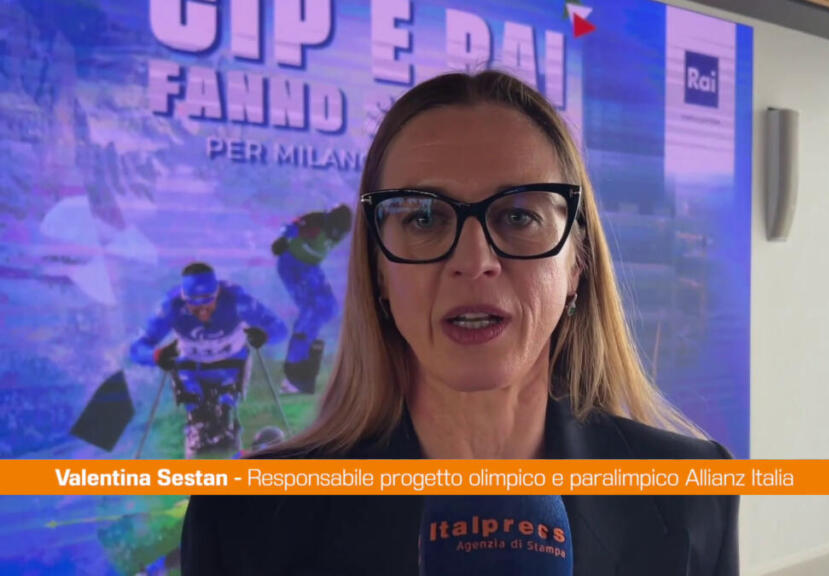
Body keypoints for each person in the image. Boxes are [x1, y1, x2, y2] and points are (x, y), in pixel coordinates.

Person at [181, 71, 738, 575]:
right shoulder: (244, 517)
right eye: (424, 218)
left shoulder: (692, 492)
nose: (474, 261)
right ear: (378, 271)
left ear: (577, 264)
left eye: (518, 215)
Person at [130, 262, 287, 458]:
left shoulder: (236, 299)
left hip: (230, 367)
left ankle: (236, 449)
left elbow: (280, 329)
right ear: (184, 297)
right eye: (194, 305)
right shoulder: (171, 306)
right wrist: (157, 356)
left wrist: (265, 335)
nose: (202, 311)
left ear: (218, 293)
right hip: (191, 369)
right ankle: (199, 444)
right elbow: (137, 348)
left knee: (224, 417)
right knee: (198, 419)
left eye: (208, 303)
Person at [270, 204, 352, 394]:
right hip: (293, 266)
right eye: (333, 231)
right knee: (310, 311)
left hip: (311, 268)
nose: (335, 236)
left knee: (329, 308)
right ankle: (295, 370)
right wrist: (283, 240)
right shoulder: (317, 221)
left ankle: (306, 346)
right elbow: (291, 226)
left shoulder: (341, 230)